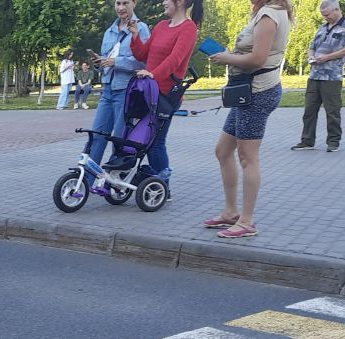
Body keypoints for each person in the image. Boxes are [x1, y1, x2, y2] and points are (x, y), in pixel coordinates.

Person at [206, 0, 293, 238]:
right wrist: (231, 55)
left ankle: (246, 221)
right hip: (247, 91)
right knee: (223, 151)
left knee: (248, 157)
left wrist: (227, 58)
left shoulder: (269, 15)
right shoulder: (266, 13)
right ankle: (231, 212)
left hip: (257, 92)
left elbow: (258, 59)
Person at [130, 0, 202, 193]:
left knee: (155, 144)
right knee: (141, 139)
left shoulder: (189, 29)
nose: (163, 2)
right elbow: (143, 54)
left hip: (165, 95)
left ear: (179, 2)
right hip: (147, 91)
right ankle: (150, 182)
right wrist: (135, 35)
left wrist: (153, 74)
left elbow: (175, 59)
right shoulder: (161, 26)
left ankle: (163, 188)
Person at [88, 0, 150, 167]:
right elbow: (105, 64)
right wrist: (98, 63)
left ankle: (113, 183)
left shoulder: (141, 29)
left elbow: (144, 62)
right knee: (97, 135)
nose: (121, 8)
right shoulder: (109, 31)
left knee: (120, 139)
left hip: (126, 91)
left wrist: (116, 62)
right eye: (118, 3)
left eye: (125, 3)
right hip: (107, 90)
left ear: (134, 3)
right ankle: (86, 182)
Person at [292, 0, 345, 152]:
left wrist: (327, 57)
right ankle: (307, 141)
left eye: (327, 15)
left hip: (332, 76)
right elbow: (312, 46)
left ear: (336, 10)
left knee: (332, 110)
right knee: (309, 110)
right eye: (323, 15)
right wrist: (311, 56)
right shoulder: (323, 27)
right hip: (315, 75)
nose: (325, 18)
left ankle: (333, 142)